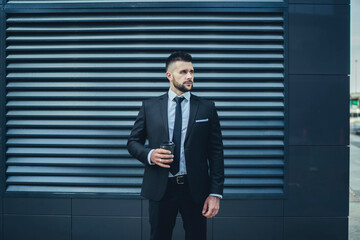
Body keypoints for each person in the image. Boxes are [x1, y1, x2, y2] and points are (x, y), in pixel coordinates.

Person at [127, 51, 224, 240]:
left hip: (195, 189)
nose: (190, 77)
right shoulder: (150, 107)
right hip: (160, 188)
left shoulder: (206, 107)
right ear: (169, 76)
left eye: (192, 71)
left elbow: (216, 152)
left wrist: (215, 193)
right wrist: (150, 155)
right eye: (183, 72)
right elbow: (132, 142)